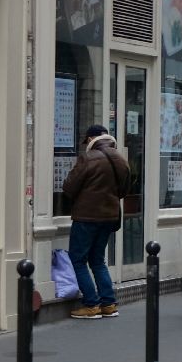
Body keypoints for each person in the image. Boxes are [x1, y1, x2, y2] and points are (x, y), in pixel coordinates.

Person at [62, 126, 130, 319]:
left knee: (78, 259)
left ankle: (91, 304)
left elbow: (69, 187)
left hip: (86, 217)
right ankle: (108, 303)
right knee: (98, 260)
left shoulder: (89, 158)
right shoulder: (121, 158)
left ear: (91, 138)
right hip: (109, 217)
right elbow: (123, 191)